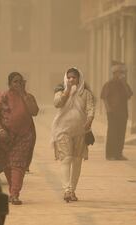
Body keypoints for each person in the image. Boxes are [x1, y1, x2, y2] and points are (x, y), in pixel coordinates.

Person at [0, 72, 39, 205]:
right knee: (7, 164)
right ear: (10, 83)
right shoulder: (4, 96)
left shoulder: (28, 97)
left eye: (20, 81)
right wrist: (0, 130)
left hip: (25, 135)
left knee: (18, 164)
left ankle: (14, 194)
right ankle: (13, 190)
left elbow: (34, 112)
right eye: (15, 82)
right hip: (6, 135)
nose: (17, 84)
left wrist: (24, 95)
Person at [51, 67, 95, 202]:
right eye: (69, 77)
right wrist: (68, 90)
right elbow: (57, 104)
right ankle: (67, 190)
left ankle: (73, 190)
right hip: (62, 130)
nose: (71, 80)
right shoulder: (60, 91)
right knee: (66, 159)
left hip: (80, 132)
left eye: (74, 77)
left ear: (79, 79)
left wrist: (89, 121)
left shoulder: (86, 94)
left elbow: (90, 109)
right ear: (66, 78)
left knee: (77, 161)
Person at [101, 61, 133, 160]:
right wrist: (108, 110)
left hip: (123, 113)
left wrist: (124, 83)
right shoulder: (109, 84)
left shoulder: (124, 85)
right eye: (119, 72)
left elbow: (129, 95)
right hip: (112, 114)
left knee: (121, 134)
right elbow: (104, 98)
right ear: (114, 73)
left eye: (121, 72)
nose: (120, 74)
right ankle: (110, 154)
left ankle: (119, 154)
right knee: (112, 134)